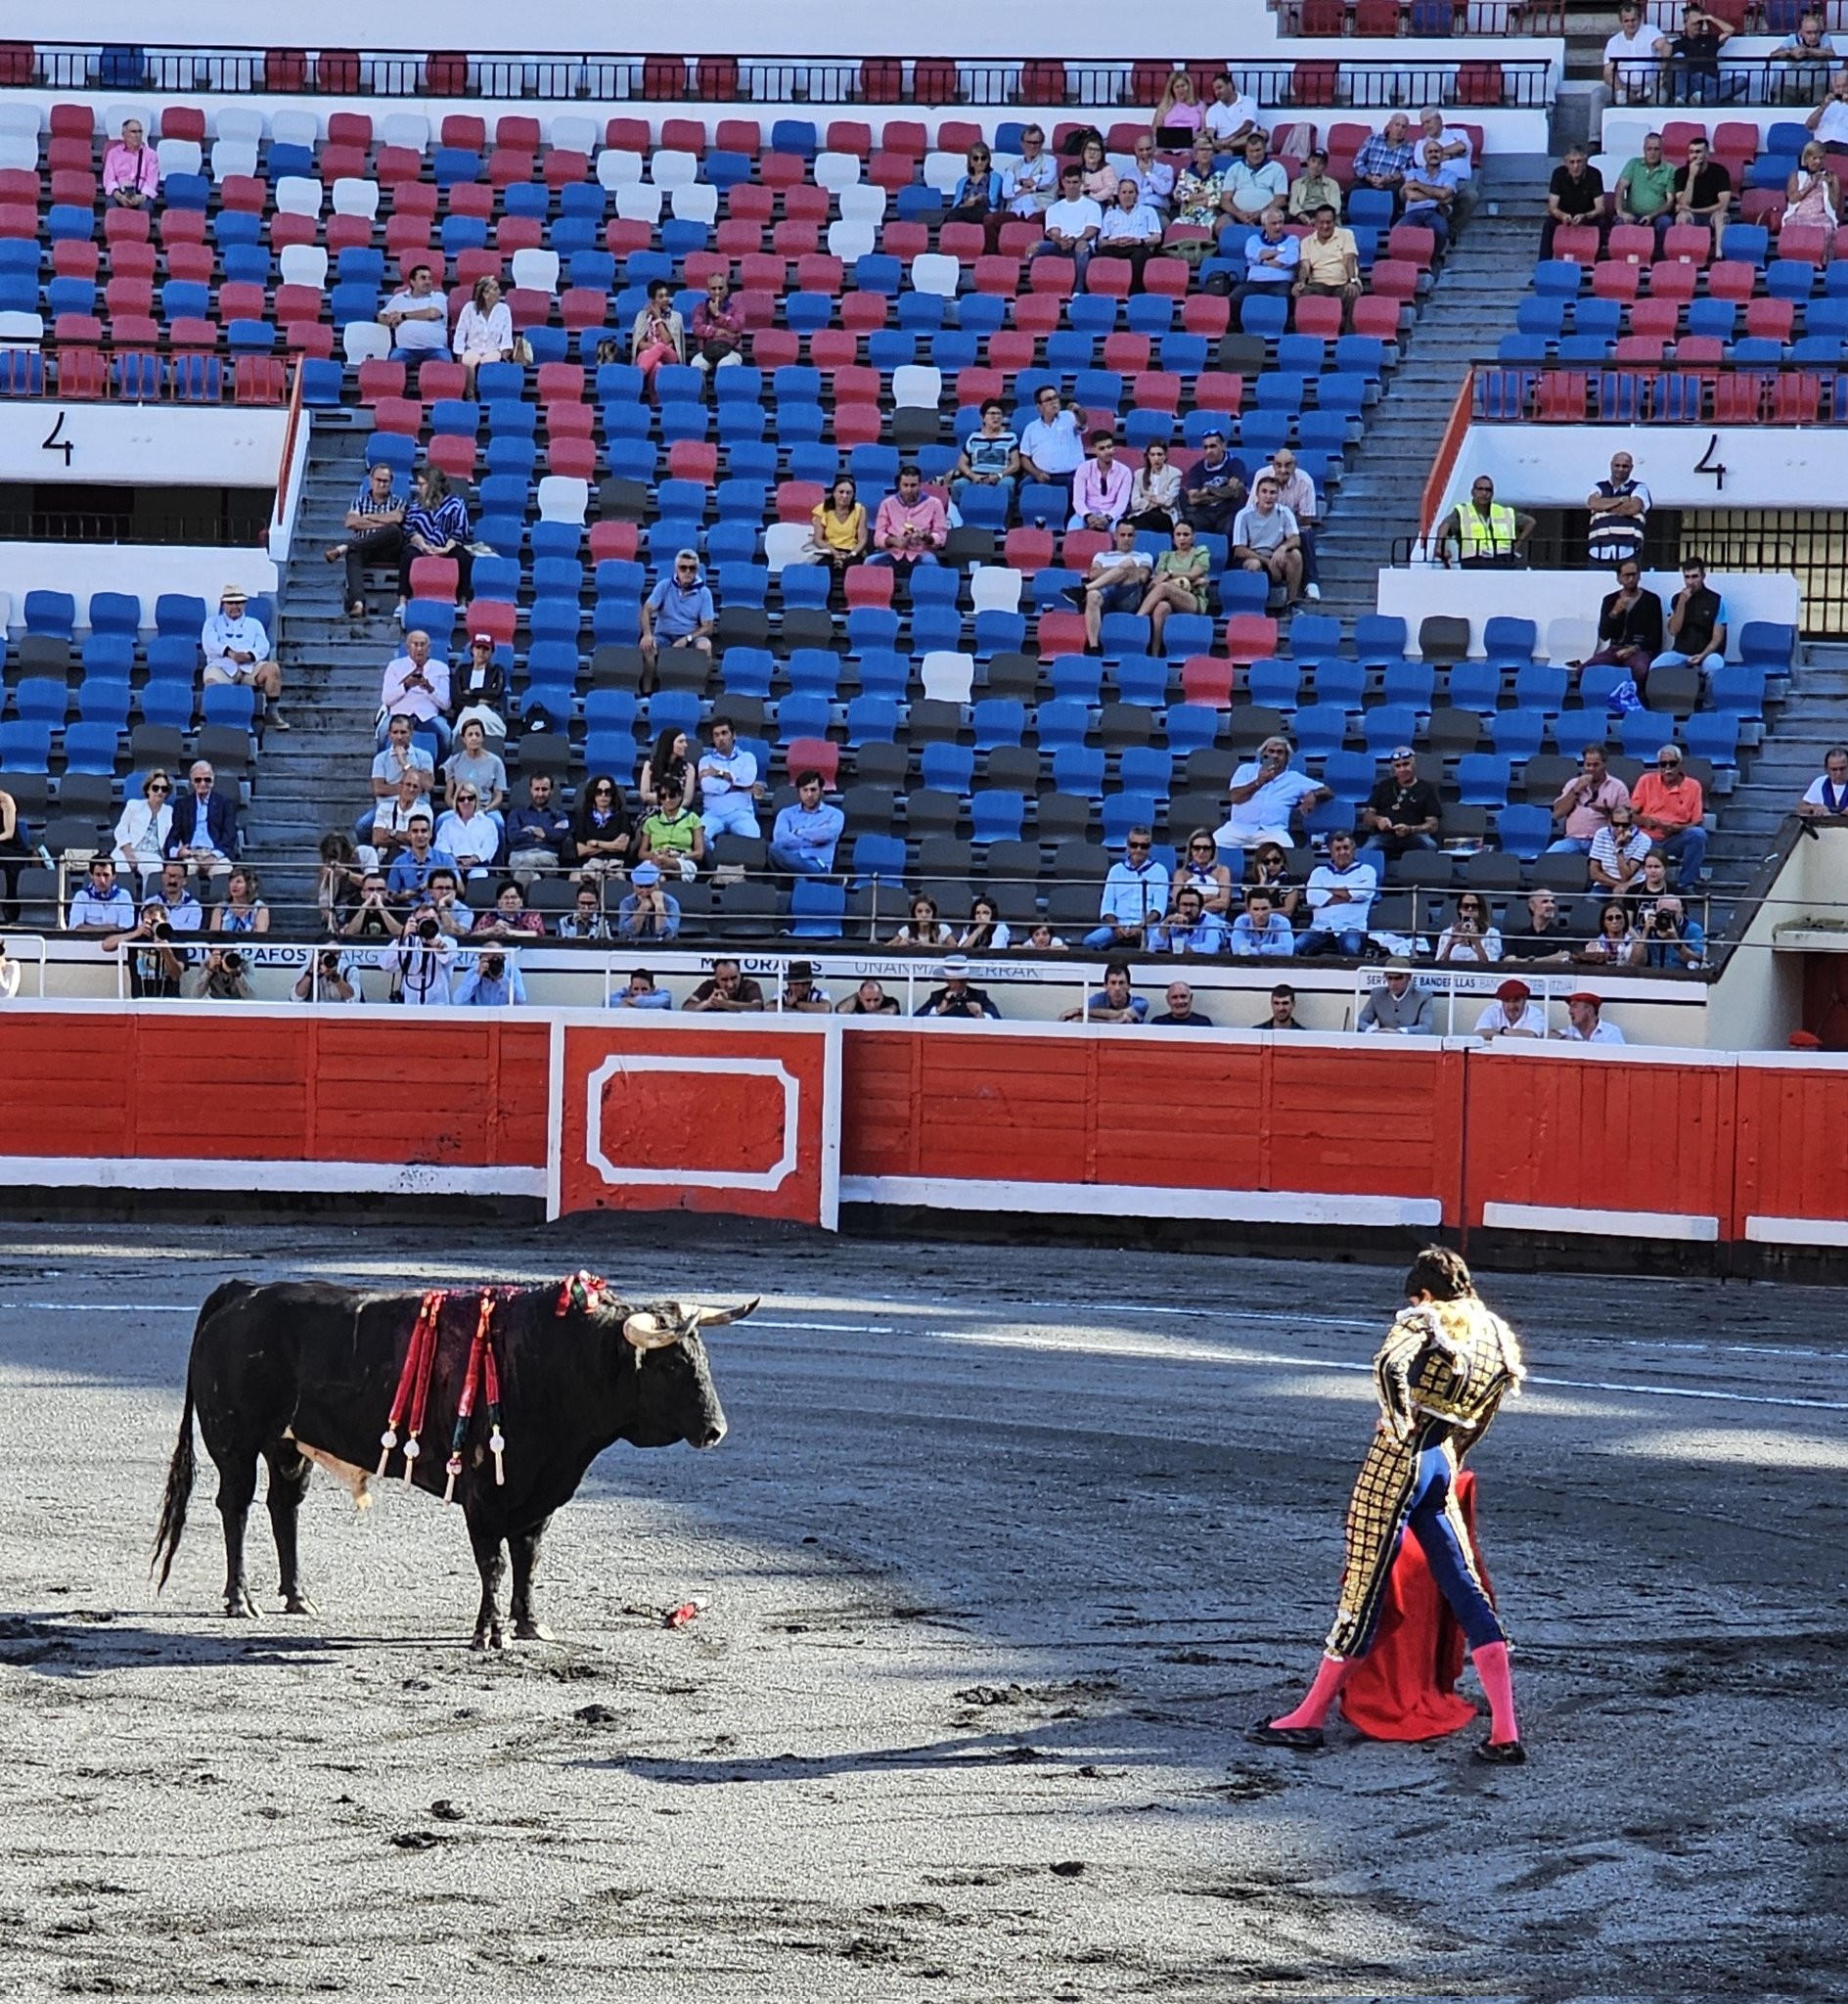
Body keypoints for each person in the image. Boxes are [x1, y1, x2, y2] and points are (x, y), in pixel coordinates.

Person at [1251, 1247, 1527, 1764]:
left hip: (1396, 1465)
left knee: (1364, 1588)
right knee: (1466, 1592)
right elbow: (1486, 1410)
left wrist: (1400, 1424)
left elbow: (1387, 1365)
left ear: (1424, 1293)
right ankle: (1506, 1731)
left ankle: (1307, 1718)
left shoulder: (1425, 1320)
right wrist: (1452, 1453)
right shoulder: (1493, 1333)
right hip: (1442, 1463)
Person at [1218, 736, 1330, 860]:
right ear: (1263, 754)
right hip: (1238, 828)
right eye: (1271, 751)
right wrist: (1258, 782)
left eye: (1279, 752)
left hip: (1272, 831)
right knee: (1209, 846)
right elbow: (1235, 797)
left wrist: (1313, 794)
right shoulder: (1245, 770)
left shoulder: (1294, 779)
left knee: (1288, 852)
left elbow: (1328, 791)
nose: (1275, 756)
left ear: (1287, 757)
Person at [327, 462, 409, 617]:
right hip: (365, 548)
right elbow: (351, 522)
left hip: (389, 549)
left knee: (393, 531)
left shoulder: (398, 501)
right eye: (378, 480)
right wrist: (382, 522)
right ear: (371, 480)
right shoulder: (359, 501)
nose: (381, 484)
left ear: (391, 483)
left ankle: (344, 547)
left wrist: (368, 518)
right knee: (354, 554)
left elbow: (397, 518)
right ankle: (358, 604)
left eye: (385, 481)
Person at [201, 585, 285, 724]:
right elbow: (209, 644)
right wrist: (229, 653)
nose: (235, 606)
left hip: (250, 667)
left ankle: (272, 713)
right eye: (231, 603)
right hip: (222, 666)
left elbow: (263, 645)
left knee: (272, 669)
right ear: (223, 604)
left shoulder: (254, 624)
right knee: (211, 681)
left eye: (239, 602)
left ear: (244, 604)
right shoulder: (212, 623)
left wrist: (250, 656)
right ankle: (206, 720)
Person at [397, 467, 473, 612]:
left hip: (446, 546)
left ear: (433, 485)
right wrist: (423, 545)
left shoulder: (455, 503)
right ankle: (402, 602)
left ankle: (462, 603)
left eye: (422, 484)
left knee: (463, 557)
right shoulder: (415, 505)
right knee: (408, 554)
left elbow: (461, 529)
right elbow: (409, 529)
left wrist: (445, 549)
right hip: (422, 546)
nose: (419, 488)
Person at [1632, 744, 1708, 883]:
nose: (1667, 768)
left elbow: (1696, 820)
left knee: (1698, 835)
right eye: (1663, 764)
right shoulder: (1646, 781)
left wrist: (1676, 828)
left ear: (1680, 764)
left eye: (1672, 764)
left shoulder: (1693, 786)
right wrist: (1645, 821)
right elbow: (1630, 815)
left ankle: (1686, 884)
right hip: (1648, 838)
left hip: (1675, 837)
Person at [1084, 826, 1170, 951]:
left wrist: (1141, 927)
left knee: (1162, 945)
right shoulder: (1115, 871)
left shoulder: (1160, 871)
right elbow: (1107, 908)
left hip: (1148, 926)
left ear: (1149, 848)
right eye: (1134, 845)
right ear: (1128, 845)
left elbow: (1158, 910)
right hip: (1118, 925)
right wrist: (1116, 927)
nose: (1138, 849)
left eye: (1143, 846)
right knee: (1089, 942)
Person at [1359, 747, 1441, 877]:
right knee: (1368, 850)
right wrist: (1378, 820)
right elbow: (1367, 816)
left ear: (1414, 763)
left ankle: (1423, 884)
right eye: (1398, 766)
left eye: (1406, 764)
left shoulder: (1426, 789)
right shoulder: (1383, 786)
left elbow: (1433, 825)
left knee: (1430, 845)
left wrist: (1411, 829)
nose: (1402, 769)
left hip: (1414, 835)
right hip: (1384, 836)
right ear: (1393, 768)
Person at [1074, 520, 1153, 652]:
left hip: (1129, 596)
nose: (1126, 539)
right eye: (1122, 535)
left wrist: (1121, 571)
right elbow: (1093, 575)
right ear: (1115, 536)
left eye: (1130, 535)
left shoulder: (1144, 556)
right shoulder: (1101, 555)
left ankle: (1083, 590)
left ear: (1135, 537)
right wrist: (1121, 573)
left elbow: (1142, 576)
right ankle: (1094, 646)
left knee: (1129, 564)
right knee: (1092, 595)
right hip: (1106, 595)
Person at [1138, 520, 1211, 654]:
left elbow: (1194, 574)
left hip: (1192, 599)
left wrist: (1170, 573)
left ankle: (1137, 620)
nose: (1182, 538)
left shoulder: (1200, 552)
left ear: (1194, 536)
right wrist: (1184, 580)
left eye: (1186, 534)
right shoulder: (1166, 556)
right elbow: (1158, 580)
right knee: (1161, 608)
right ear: (1173, 537)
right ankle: (1155, 653)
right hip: (1169, 600)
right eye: (1178, 534)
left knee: (1165, 587)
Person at [1230, 472, 1303, 606]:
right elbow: (1239, 550)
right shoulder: (1244, 515)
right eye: (1264, 492)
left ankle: (1291, 602)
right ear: (1257, 494)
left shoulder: (1285, 512)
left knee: (1295, 555)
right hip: (1252, 556)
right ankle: (1255, 605)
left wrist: (1283, 548)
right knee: (1254, 564)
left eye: (1272, 492)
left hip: (1275, 554)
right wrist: (1268, 562)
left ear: (1278, 495)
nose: (1268, 496)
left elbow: (1296, 539)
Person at [639, 551, 715, 677]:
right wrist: (647, 634)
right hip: (664, 635)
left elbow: (708, 627)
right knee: (648, 646)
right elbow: (647, 609)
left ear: (697, 570)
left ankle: (700, 689)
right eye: (683, 567)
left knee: (705, 646)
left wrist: (686, 639)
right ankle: (648, 690)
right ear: (676, 569)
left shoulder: (704, 593)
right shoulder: (664, 586)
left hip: (691, 637)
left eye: (692, 568)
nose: (687, 572)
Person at [1300, 833, 1376, 957]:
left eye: (1346, 848)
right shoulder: (1319, 872)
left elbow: (1362, 893)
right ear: (1331, 852)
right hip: (1321, 927)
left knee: (1351, 949)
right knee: (1295, 947)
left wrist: (1326, 892)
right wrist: (1347, 896)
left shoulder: (1367, 871)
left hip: (1351, 927)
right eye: (1338, 849)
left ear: (1353, 849)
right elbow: (1312, 897)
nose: (1342, 852)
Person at [378, 628, 452, 756]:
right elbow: (386, 699)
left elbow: (446, 704)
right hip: (399, 715)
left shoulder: (440, 668)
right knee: (383, 731)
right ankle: (382, 765)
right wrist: (406, 686)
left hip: (427, 716)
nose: (419, 649)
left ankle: (441, 770)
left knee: (446, 732)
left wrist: (430, 690)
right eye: (415, 644)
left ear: (429, 648)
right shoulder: (395, 666)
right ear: (407, 647)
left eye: (423, 645)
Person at [163, 760, 237, 888]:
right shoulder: (182, 804)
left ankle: (220, 907)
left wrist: (214, 856)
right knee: (183, 872)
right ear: (192, 782)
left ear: (213, 781)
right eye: (198, 780)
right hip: (191, 854)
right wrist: (177, 852)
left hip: (215, 854)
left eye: (207, 780)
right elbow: (174, 834)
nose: (203, 783)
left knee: (225, 872)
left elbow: (230, 835)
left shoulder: (225, 803)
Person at [1653, 557, 1728, 682]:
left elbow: (1718, 637)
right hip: (1680, 652)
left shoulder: (1716, 600)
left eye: (1695, 576)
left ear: (1703, 576)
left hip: (1707, 653)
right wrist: (1682, 602)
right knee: (1656, 666)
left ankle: (1709, 702)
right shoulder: (1677, 599)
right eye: (1687, 577)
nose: (1690, 582)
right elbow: (1673, 631)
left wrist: (1702, 655)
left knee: (1715, 666)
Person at [1548, 743, 1630, 856]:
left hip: (1603, 841)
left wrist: (1608, 813)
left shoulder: (1618, 787)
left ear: (1604, 764)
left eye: (1596, 765)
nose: (1591, 769)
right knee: (1549, 857)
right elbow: (1557, 813)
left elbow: (1627, 822)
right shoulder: (1573, 784)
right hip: (1573, 840)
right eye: (1588, 765)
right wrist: (1575, 790)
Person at [1436, 476, 1534, 569]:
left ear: (1492, 494)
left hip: (1502, 561)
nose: (1484, 493)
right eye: (1480, 489)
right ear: (1473, 492)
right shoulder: (1463, 511)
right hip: (1474, 561)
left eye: (1488, 490)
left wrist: (1516, 545)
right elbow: (1445, 526)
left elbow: (1530, 522)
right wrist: (1440, 547)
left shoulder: (1503, 511)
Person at [1263, 448, 1321, 602]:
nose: (1283, 469)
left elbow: (1307, 518)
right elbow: (1252, 509)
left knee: (1306, 532)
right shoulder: (1262, 476)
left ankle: (1311, 582)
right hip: (1264, 525)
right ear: (1272, 465)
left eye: (1288, 465)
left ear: (1295, 465)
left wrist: (1283, 525)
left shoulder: (1305, 481)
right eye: (1278, 465)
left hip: (1293, 525)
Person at [1019, 385, 1089, 507]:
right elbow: (1024, 457)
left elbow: (1083, 423)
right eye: (1048, 400)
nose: (1054, 402)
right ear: (1039, 407)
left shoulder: (1069, 416)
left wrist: (1078, 410)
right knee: (1024, 487)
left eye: (1055, 397)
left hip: (1070, 475)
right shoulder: (1031, 428)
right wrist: (1037, 473)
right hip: (1044, 476)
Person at [1034, 164, 1104, 284]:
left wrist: (1074, 240)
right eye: (1068, 182)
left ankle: (1079, 288)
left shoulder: (1092, 206)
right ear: (1063, 182)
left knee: (1081, 246)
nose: (1071, 186)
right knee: (1034, 247)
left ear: (1081, 182)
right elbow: (1054, 232)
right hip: (1060, 244)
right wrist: (1060, 240)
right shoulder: (1054, 208)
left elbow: (1091, 231)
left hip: (1082, 243)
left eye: (1075, 182)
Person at [695, 719, 760, 845]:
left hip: (741, 812)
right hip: (712, 813)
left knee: (754, 839)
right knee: (698, 839)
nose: (721, 738)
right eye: (716, 735)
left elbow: (747, 780)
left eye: (724, 733)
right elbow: (708, 786)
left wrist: (719, 774)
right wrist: (738, 785)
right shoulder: (705, 761)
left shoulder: (747, 758)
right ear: (713, 739)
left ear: (733, 735)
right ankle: (716, 859)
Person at [869, 465, 948, 569]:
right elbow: (878, 537)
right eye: (905, 485)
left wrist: (927, 538)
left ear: (920, 485)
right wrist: (893, 541)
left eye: (913, 485)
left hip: (921, 552)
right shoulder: (887, 504)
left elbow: (941, 537)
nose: (909, 489)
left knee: (931, 563)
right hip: (894, 552)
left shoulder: (935, 504)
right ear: (899, 485)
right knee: (869, 562)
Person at [1662, 134, 1733, 250]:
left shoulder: (1720, 171)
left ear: (1707, 154)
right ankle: (1686, 254)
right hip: (1692, 215)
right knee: (1682, 217)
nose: (1694, 156)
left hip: (1713, 215)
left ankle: (1719, 256)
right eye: (1691, 152)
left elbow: (1723, 205)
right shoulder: (1681, 173)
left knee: (1722, 217)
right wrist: (1691, 176)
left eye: (1698, 152)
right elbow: (1684, 203)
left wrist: (1694, 210)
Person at [769, 769, 844, 877]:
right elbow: (780, 838)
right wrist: (813, 839)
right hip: (791, 860)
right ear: (799, 792)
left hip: (817, 865)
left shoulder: (835, 814)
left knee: (800, 878)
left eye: (813, 790)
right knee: (774, 848)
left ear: (821, 791)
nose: (809, 794)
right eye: (805, 790)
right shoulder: (786, 813)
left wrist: (798, 832)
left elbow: (828, 834)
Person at [1292, 205, 1361, 322]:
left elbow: (1349, 259)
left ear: (1334, 222)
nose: (1325, 226)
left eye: (1329, 222)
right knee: (1301, 292)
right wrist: (1301, 282)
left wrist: (1352, 281)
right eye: (1321, 222)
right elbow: (1305, 266)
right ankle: (1306, 335)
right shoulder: (1306, 242)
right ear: (1315, 222)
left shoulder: (1346, 234)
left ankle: (1349, 336)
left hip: (1342, 283)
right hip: (1318, 284)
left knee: (1351, 291)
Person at [951, 401, 1020, 514]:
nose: (996, 417)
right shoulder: (974, 437)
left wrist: (998, 476)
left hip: (1001, 476)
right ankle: (961, 519)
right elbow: (962, 462)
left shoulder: (1011, 436)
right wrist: (973, 476)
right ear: (983, 418)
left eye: (999, 414)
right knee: (958, 485)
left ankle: (1005, 520)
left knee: (1007, 485)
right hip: (976, 475)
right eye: (992, 414)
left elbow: (1016, 464)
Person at [503, 773, 574, 883]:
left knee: (528, 862)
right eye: (537, 789)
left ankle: (518, 896)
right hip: (519, 855)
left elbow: (560, 835)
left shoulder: (560, 816)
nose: (540, 793)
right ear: (531, 790)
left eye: (544, 789)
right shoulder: (516, 813)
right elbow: (513, 837)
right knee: (534, 876)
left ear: (551, 791)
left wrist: (530, 830)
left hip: (547, 857)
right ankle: (536, 884)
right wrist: (545, 834)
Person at [452, 274, 514, 398]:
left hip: (492, 349)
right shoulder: (469, 308)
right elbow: (461, 331)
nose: (499, 292)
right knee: (468, 361)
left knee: (489, 363)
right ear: (485, 294)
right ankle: (470, 395)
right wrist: (459, 352)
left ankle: (487, 395)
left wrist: (505, 351)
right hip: (472, 348)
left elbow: (507, 333)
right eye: (495, 289)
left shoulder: (504, 309)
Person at [1586, 452, 1651, 569]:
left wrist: (1605, 506)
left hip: (1628, 553)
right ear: (1611, 465)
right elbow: (1593, 503)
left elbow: (1633, 508)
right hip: (1598, 554)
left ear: (1631, 468)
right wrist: (1622, 500)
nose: (1620, 469)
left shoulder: (1639, 488)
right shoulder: (1598, 486)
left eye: (1625, 466)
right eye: (1617, 465)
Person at [1540, 146, 1607, 257]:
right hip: (1564, 216)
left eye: (1579, 162)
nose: (1576, 166)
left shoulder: (1595, 174)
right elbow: (1552, 207)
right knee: (1549, 224)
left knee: (1601, 223)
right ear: (1566, 163)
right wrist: (1562, 215)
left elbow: (1600, 209)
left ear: (1585, 162)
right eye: (1572, 162)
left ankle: (1593, 262)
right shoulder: (1558, 174)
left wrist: (1585, 216)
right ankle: (1544, 263)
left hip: (1587, 216)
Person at [1179, 429, 1247, 538]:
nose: (1209, 451)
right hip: (1204, 514)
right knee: (1188, 526)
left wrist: (1209, 490)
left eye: (1213, 446)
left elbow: (1235, 491)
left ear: (1223, 446)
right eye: (1206, 447)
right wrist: (1223, 492)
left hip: (1227, 513)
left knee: (1231, 526)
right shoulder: (1197, 469)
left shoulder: (1236, 464)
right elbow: (1193, 499)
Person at [113, 768, 174, 888]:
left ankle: (148, 905)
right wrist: (129, 854)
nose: (159, 792)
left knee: (156, 868)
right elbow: (121, 829)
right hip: (129, 849)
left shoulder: (169, 812)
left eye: (164, 789)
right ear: (148, 789)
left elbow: (172, 837)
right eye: (155, 788)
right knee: (120, 866)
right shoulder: (134, 805)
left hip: (152, 855)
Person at [381, 907, 456, 1006]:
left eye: (432, 920)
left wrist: (436, 944)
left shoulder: (449, 942)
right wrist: (403, 937)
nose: (427, 924)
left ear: (439, 921)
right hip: (410, 1006)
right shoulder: (407, 943)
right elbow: (386, 965)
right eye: (422, 920)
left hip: (438, 1007)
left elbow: (445, 957)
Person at [634, 775, 706, 878]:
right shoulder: (651, 821)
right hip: (657, 858)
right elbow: (641, 853)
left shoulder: (693, 818)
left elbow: (699, 853)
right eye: (663, 796)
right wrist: (657, 855)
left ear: (680, 795)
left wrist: (680, 856)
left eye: (672, 795)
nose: (668, 800)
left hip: (683, 860)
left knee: (663, 869)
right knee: (645, 871)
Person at [1230, 205, 1299, 307]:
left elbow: (1291, 259)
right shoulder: (1254, 240)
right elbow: (1252, 255)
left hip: (1281, 282)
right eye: (1274, 223)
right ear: (1264, 225)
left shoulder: (1292, 240)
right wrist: (1277, 254)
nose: (1278, 227)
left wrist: (1263, 260)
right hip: (1254, 282)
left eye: (1280, 222)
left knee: (1283, 300)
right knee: (1234, 299)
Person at [1666, 3, 1736, 104]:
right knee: (1678, 61)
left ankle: (1701, 98)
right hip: (1692, 81)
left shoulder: (1710, 39)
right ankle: (1683, 98)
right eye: (1693, 22)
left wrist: (1709, 17)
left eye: (1700, 22)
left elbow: (1730, 30)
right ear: (1685, 23)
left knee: (1741, 81)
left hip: (1711, 82)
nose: (1697, 26)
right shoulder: (1677, 44)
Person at [379, 263, 448, 363]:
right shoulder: (399, 298)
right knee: (392, 368)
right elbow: (381, 315)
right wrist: (389, 320)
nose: (428, 281)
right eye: (423, 278)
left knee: (446, 368)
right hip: (405, 349)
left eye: (430, 278)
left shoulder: (438, 296)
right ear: (413, 282)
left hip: (436, 349)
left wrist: (403, 316)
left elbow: (432, 314)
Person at [1401, 141, 1465, 251]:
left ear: (1442, 154)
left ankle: (1434, 262)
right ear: (1424, 156)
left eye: (1437, 151)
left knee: (1441, 231)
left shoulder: (1450, 175)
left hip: (1436, 211)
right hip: (1413, 211)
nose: (1433, 154)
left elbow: (1444, 194)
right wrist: (1438, 196)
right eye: (1430, 152)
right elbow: (1412, 196)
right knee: (1398, 233)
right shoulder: (1413, 172)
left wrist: (1418, 185)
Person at [433, 779, 500, 881]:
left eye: (470, 798)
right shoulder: (447, 824)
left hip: (479, 864)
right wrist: (454, 861)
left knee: (479, 878)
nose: (466, 802)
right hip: (453, 865)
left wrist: (473, 859)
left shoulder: (488, 823)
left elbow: (489, 846)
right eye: (462, 799)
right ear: (456, 802)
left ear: (476, 800)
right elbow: (441, 845)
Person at [631, 278, 685, 402]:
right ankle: (654, 397)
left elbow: (666, 341)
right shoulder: (642, 316)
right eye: (661, 296)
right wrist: (654, 350)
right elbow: (640, 345)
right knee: (657, 365)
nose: (665, 299)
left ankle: (638, 376)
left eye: (666, 295)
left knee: (660, 346)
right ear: (652, 300)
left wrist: (658, 318)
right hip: (649, 356)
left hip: (669, 356)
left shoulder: (675, 317)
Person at [385, 811, 457, 905]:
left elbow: (459, 889)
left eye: (424, 831)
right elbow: (390, 895)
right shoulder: (399, 862)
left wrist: (437, 878)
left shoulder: (446, 859)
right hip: (409, 912)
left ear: (430, 834)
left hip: (439, 908)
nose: (420, 835)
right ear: (408, 835)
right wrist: (403, 896)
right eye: (415, 831)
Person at [443, 716, 508, 820]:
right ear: (464, 739)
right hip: (460, 807)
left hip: (485, 810)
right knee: (442, 819)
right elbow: (448, 795)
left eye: (477, 734)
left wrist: (486, 810)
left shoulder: (496, 762)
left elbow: (499, 796)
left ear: (483, 738)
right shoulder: (454, 762)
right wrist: (458, 809)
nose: (474, 738)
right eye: (470, 735)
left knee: (498, 822)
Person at [804, 475, 869, 577]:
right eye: (841, 492)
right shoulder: (823, 509)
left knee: (854, 569)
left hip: (852, 551)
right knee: (823, 569)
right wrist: (834, 552)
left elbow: (863, 539)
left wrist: (851, 554)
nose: (845, 496)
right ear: (834, 493)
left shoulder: (860, 510)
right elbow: (818, 539)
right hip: (829, 550)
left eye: (848, 493)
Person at [1069, 432, 1133, 534]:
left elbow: (1121, 504)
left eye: (1109, 447)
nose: (1107, 451)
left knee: (1118, 532)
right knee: (1073, 530)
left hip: (1112, 513)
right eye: (1102, 448)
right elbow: (1078, 501)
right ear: (1094, 450)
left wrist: (1108, 518)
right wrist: (1088, 516)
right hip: (1087, 512)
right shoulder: (1083, 468)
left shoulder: (1125, 472)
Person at [688, 272, 744, 387]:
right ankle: (700, 402)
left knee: (725, 366)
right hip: (706, 351)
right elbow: (697, 329)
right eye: (713, 288)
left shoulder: (736, 308)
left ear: (727, 288)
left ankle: (724, 402)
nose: (717, 292)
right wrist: (720, 332)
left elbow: (737, 327)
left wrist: (718, 315)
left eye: (720, 288)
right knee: (695, 365)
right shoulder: (700, 308)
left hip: (731, 351)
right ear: (708, 290)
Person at [1605, 1, 1668, 103]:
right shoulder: (1614, 42)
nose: (1630, 24)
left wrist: (1662, 73)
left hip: (1649, 85)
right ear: (1621, 22)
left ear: (1639, 19)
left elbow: (1666, 47)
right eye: (1626, 21)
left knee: (1661, 96)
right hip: (1622, 86)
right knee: (1598, 94)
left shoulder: (1650, 31)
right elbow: (1608, 72)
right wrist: (1623, 90)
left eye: (1633, 20)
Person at [452, 632, 508, 740]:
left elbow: (495, 693)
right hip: (465, 712)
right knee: (471, 711)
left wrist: (471, 692)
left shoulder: (497, 671)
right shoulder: (462, 670)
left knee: (477, 712)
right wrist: (478, 701)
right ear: (472, 650)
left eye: (485, 649)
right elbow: (457, 696)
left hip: (490, 713)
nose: (481, 652)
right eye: (478, 648)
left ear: (491, 653)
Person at [1358, 959, 1437, 1034]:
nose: (1393, 983)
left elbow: (1426, 1028)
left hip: (1411, 1043)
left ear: (1409, 977)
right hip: (1383, 1041)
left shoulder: (1423, 996)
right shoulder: (1377, 994)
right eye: (1390, 978)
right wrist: (1374, 1030)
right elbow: (1362, 1021)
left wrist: (1401, 1032)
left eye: (1398, 978)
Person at [1352, 114, 1417, 206]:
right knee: (1355, 188)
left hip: (1390, 183)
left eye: (1404, 127)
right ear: (1389, 126)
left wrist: (1388, 179)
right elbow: (1358, 162)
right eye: (1397, 125)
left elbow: (1407, 172)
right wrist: (1369, 177)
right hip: (1368, 179)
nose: (1400, 129)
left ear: (1406, 131)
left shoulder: (1409, 147)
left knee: (1394, 193)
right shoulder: (1373, 139)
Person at [1589, 802, 1653, 892]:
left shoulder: (1644, 840)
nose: (1620, 829)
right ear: (1609, 822)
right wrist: (1618, 885)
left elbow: (1625, 876)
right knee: (1590, 903)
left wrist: (1619, 848)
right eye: (1616, 824)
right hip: (1605, 884)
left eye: (1625, 825)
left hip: (1633, 885)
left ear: (1632, 823)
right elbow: (1594, 872)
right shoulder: (1601, 834)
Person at [1783, 141, 1841, 243]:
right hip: (1800, 215)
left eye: (1821, 158)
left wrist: (1830, 185)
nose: (1818, 161)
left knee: (1827, 226)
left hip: (1820, 215)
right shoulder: (1796, 175)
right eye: (1814, 158)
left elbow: (1835, 205)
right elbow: (1792, 200)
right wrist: (1811, 185)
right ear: (1806, 158)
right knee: (1792, 224)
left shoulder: (1831, 176)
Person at [1173, 135, 1231, 236]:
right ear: (1195, 154)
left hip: (1208, 218)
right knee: (1175, 226)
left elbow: (1216, 200)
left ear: (1213, 153)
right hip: (1186, 217)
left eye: (1208, 149)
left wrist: (1190, 199)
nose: (1205, 153)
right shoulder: (1185, 173)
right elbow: (1178, 195)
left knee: (1209, 227)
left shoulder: (1219, 175)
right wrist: (1201, 196)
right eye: (1201, 149)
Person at [1635, 885, 1704, 969]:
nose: (1667, 917)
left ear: (1681, 911)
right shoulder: (1647, 929)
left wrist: (1676, 941)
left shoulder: (1692, 929)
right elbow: (1635, 964)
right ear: (1656, 911)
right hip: (1652, 976)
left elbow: (1696, 961)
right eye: (1663, 912)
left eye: (1672, 913)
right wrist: (1644, 935)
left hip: (1682, 977)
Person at [1615, 133, 1676, 228]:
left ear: (1662, 151)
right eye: (1649, 149)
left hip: (1658, 216)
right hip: (1633, 215)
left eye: (1656, 149)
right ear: (1644, 149)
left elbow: (1670, 202)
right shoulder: (1633, 164)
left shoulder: (1670, 170)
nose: (1652, 152)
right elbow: (1620, 188)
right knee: (1620, 223)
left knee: (1665, 223)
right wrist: (1620, 212)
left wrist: (1651, 216)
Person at [1225, 133, 1286, 226]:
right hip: (1236, 215)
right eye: (1251, 151)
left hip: (1267, 213)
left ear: (1265, 149)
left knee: (1275, 218)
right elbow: (1225, 200)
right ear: (1246, 151)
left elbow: (1280, 199)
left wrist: (1261, 212)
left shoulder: (1277, 168)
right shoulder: (1234, 168)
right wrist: (1238, 214)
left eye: (1258, 150)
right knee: (1221, 225)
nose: (1255, 154)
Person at [1501, 890, 1576, 967]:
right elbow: (1508, 960)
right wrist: (1550, 959)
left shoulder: (1563, 936)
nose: (1551, 906)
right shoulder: (1518, 937)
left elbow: (1565, 956)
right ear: (1532, 906)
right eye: (1545, 901)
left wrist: (1529, 961)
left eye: (1553, 902)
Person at [947, 142, 1004, 239]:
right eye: (976, 158)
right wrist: (965, 204)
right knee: (952, 216)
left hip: (985, 210)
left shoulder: (995, 177)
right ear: (971, 162)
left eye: (983, 158)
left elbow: (993, 200)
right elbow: (956, 204)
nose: (979, 162)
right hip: (966, 210)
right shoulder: (962, 181)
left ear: (988, 160)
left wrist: (978, 199)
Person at [1062, 959, 1148, 1024]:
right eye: (1113, 983)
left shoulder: (1141, 1003)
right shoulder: (1097, 1000)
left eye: (1121, 983)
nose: (1117, 988)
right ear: (1105, 986)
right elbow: (1068, 1019)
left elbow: (1121, 1014)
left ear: (1129, 986)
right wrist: (1114, 1023)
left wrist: (1081, 1011)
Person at [67, 855, 136, 934]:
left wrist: (89, 927)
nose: (102, 880)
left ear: (114, 876)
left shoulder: (124, 896)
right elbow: (75, 927)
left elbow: (125, 929)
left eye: (106, 875)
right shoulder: (81, 896)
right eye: (98, 875)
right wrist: (111, 928)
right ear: (91, 875)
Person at [917, 956, 1002, 1019]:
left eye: (961, 981)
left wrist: (980, 1014)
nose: (958, 985)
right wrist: (939, 1009)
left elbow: (997, 1018)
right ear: (947, 981)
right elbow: (916, 1017)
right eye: (953, 981)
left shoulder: (979, 996)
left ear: (967, 980)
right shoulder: (937, 996)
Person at [1152, 885, 1227, 956]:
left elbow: (1211, 948)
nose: (1188, 909)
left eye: (1192, 905)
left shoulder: (1211, 922)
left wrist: (1186, 949)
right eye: (1184, 905)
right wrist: (1165, 925)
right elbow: (1153, 949)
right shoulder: (1171, 921)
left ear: (1200, 908)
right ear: (1178, 907)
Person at [1125, 440, 1181, 534]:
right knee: (1136, 523)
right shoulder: (1139, 474)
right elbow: (1134, 502)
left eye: (1159, 455)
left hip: (1166, 514)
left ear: (1165, 456)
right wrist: (1150, 502)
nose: (1156, 458)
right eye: (1152, 455)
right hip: (1143, 512)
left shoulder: (1175, 474)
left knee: (1153, 520)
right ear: (1148, 456)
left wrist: (1150, 498)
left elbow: (1169, 501)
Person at [616, 860, 681, 941]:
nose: (644, 891)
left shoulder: (671, 903)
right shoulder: (626, 903)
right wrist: (643, 908)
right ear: (633, 886)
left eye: (648, 886)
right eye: (640, 886)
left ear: (657, 884)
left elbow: (669, 937)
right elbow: (624, 936)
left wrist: (659, 907)